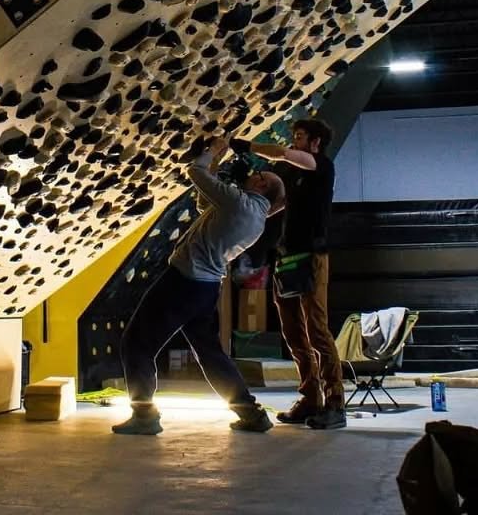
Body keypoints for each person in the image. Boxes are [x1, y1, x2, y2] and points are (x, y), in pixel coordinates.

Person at [112, 136, 286, 435]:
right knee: (210, 354)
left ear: (261, 186)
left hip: (183, 281)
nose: (252, 174)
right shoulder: (255, 216)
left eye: (258, 174)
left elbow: (194, 172)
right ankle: (251, 414)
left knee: (137, 343)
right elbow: (204, 202)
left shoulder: (240, 203)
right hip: (206, 288)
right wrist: (216, 167)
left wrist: (213, 152)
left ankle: (144, 415)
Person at [231, 118, 345, 430]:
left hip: (312, 257)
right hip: (287, 257)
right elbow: (276, 207)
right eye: (294, 136)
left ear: (316, 142)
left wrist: (250, 146)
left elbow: (281, 153)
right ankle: (310, 399)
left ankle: (335, 402)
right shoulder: (294, 176)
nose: (294, 142)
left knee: (317, 330)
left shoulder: (321, 166)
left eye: (300, 137)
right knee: (294, 333)